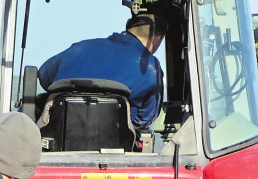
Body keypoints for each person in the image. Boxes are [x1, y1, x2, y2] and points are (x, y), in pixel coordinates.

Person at [38, 11, 166, 130]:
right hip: (117, 147)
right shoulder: (150, 67)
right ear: (157, 39)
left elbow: (44, 76)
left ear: (128, 26)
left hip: (59, 140)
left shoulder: (79, 48)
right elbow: (145, 118)